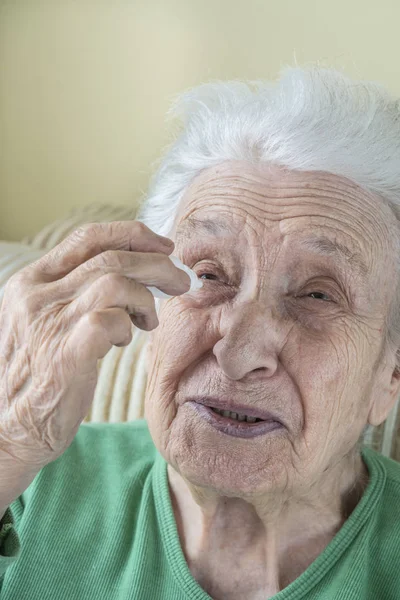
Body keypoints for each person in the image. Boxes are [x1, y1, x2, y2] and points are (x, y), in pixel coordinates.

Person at [0, 66, 400, 600]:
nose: (238, 354)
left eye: (318, 295)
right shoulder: (28, 480)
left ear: (389, 376)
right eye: (208, 276)